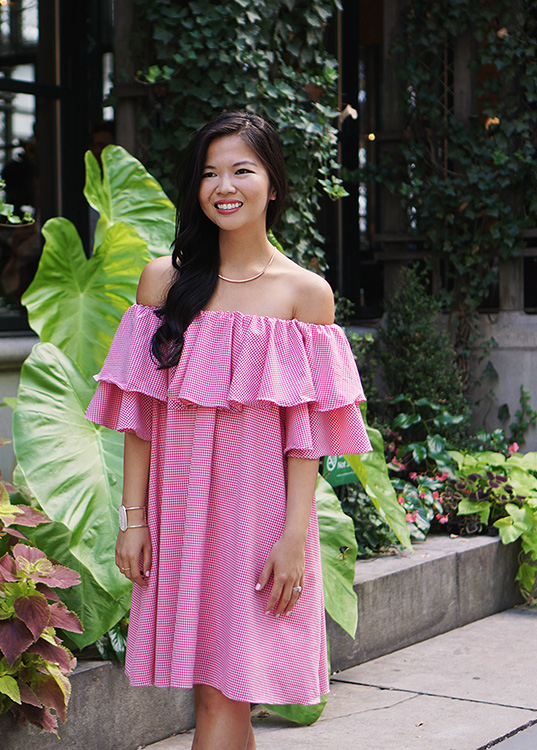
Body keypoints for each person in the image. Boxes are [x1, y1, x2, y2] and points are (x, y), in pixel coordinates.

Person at [85, 111, 371, 749]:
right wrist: (134, 521)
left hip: (259, 520)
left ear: (273, 183)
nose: (225, 186)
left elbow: (306, 439)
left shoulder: (306, 294)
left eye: (242, 169)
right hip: (180, 511)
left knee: (223, 690)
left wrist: (295, 537)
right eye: (210, 173)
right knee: (217, 693)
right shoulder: (163, 282)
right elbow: (140, 416)